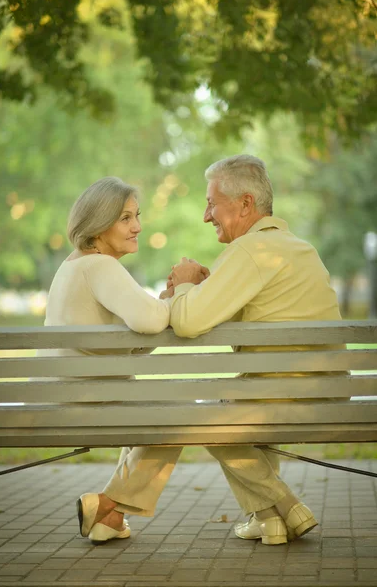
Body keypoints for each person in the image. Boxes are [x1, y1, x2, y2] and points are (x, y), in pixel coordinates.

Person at [81, 155, 343, 546]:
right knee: (227, 400)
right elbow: (246, 310)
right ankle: (268, 520)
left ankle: (286, 505)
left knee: (202, 412)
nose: (206, 215)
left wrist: (186, 283)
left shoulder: (250, 251)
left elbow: (186, 322)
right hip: (328, 395)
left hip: (278, 397)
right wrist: (209, 284)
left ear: (245, 204)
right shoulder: (298, 249)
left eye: (211, 203)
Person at [39, 176, 171, 543]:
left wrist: (165, 299)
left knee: (162, 411)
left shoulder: (73, 266)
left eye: (137, 216)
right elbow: (152, 320)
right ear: (98, 224)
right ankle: (107, 505)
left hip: (65, 398)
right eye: (125, 218)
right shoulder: (100, 267)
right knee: (175, 417)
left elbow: (134, 342)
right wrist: (179, 297)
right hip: (88, 403)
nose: (138, 227)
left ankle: (108, 518)